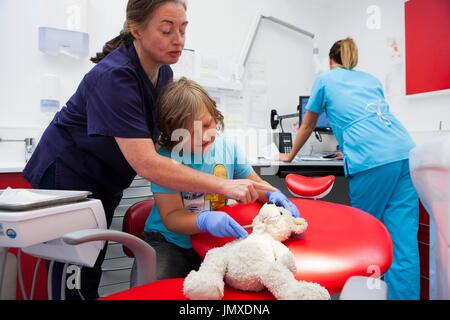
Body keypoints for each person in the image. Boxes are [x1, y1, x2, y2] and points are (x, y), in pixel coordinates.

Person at [22, 0, 275, 300]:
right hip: (69, 179)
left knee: (90, 270)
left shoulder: (163, 74)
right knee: (73, 280)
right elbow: (147, 163)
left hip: (104, 181)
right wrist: (223, 185)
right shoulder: (114, 77)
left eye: (182, 29)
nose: (178, 39)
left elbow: (161, 142)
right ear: (136, 29)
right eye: (167, 30)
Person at [279, 38, 419, 300]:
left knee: (364, 238)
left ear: (331, 61)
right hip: (405, 152)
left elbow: (307, 125)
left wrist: (288, 156)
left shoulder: (325, 79)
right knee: (403, 243)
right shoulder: (371, 79)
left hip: (373, 159)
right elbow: (370, 119)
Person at [137, 77, 300, 282]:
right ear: (173, 135)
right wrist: (204, 220)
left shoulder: (227, 149)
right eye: (191, 133)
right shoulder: (165, 160)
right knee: (153, 292)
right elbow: (172, 218)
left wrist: (272, 194)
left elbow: (255, 184)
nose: (205, 136)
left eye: (207, 124)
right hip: (170, 242)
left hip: (212, 242)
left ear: (216, 116)